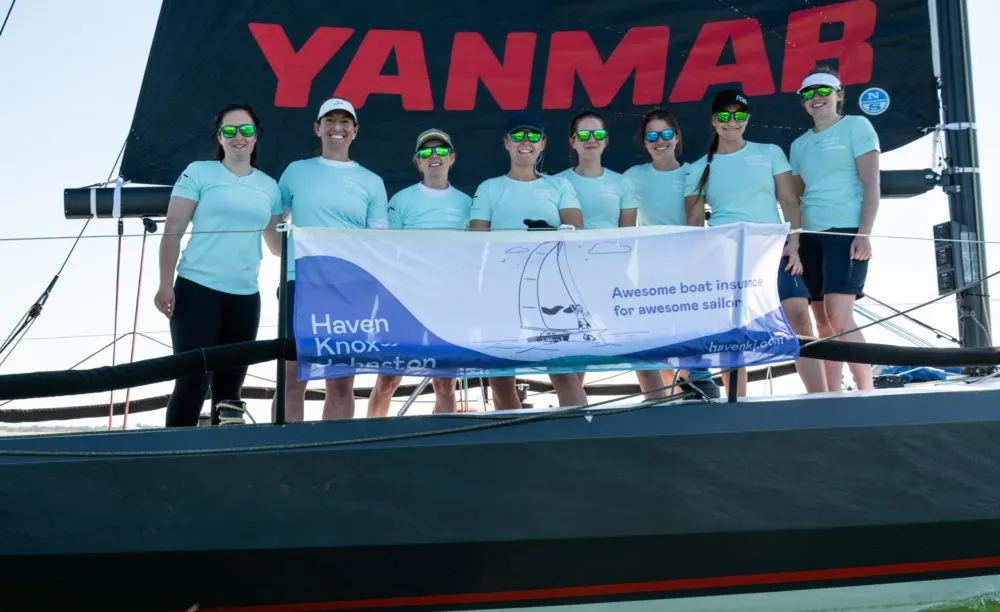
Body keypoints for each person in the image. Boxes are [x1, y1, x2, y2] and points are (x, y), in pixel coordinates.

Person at [684, 89, 827, 396]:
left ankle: (822, 398)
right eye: (724, 115)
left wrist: (793, 244)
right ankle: (738, 404)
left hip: (773, 249)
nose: (731, 121)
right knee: (735, 329)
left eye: (738, 115)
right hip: (726, 255)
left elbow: (789, 201)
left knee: (799, 315)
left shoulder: (770, 153)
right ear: (713, 121)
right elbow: (694, 226)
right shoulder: (697, 168)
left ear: (747, 119)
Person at [155, 103, 282, 427]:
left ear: (257, 137)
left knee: (230, 388)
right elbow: (172, 231)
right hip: (197, 289)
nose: (238, 136)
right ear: (220, 138)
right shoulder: (198, 172)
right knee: (192, 380)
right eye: (230, 130)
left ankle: (223, 468)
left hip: (244, 295)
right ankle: (172, 460)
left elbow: (277, 245)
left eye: (246, 130)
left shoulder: (270, 186)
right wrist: (165, 283)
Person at [264, 97, 389, 421]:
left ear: (355, 131)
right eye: (330, 121)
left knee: (341, 383)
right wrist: (286, 253)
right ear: (317, 128)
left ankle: (334, 459)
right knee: (292, 376)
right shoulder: (296, 172)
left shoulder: (371, 181)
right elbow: (274, 225)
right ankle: (285, 454)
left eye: (345, 122)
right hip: (300, 281)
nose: (337, 128)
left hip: (349, 287)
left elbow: (377, 244)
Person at [468, 110, 589, 410]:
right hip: (499, 287)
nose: (526, 142)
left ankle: (580, 436)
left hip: (551, 288)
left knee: (562, 369)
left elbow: (575, 233)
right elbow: (476, 242)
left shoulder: (559, 186)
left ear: (543, 143)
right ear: (506, 143)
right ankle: (509, 443)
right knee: (501, 375)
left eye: (533, 136)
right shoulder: (488, 188)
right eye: (518, 136)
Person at [366, 129, 473, 417]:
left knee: (445, 384)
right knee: (387, 380)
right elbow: (386, 252)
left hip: (448, 303)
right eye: (426, 153)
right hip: (404, 302)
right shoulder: (401, 200)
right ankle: (372, 443)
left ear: (452, 157)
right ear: (417, 161)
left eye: (440, 151)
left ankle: (445, 447)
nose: (434, 157)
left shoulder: (467, 203)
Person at [789, 66, 880, 392]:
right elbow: (796, 197)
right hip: (811, 234)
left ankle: (867, 390)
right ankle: (832, 394)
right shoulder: (799, 145)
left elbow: (871, 183)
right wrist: (794, 241)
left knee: (839, 315)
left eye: (823, 91)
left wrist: (864, 233)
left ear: (839, 94)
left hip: (845, 230)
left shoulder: (857, 126)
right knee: (822, 321)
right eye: (808, 94)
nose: (816, 99)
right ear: (803, 103)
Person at [622, 109, 719, 400]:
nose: (660, 141)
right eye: (652, 135)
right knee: (660, 331)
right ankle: (668, 394)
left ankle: (701, 380)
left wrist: (688, 261)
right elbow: (625, 225)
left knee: (692, 325)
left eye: (666, 134)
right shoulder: (633, 176)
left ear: (676, 137)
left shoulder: (692, 172)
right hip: (650, 265)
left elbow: (695, 219)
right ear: (644, 142)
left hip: (687, 261)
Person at [554, 110, 638, 390]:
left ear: (606, 141)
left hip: (614, 276)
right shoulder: (558, 182)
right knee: (578, 351)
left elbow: (628, 236)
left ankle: (656, 413)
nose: (591, 140)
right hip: (572, 277)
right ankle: (575, 416)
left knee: (637, 348)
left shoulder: (622, 182)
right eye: (584, 135)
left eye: (598, 134)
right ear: (572, 142)